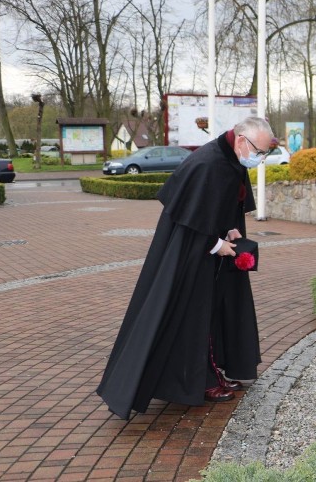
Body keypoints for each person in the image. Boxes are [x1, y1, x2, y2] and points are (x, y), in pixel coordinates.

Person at [96, 117, 273, 420]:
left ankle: (207, 375)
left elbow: (218, 205)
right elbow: (192, 221)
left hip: (203, 255)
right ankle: (201, 381)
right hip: (188, 258)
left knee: (206, 315)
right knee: (192, 318)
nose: (260, 159)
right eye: (259, 151)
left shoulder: (230, 159)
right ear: (242, 140)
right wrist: (218, 245)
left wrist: (230, 229)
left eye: (265, 153)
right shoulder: (209, 164)